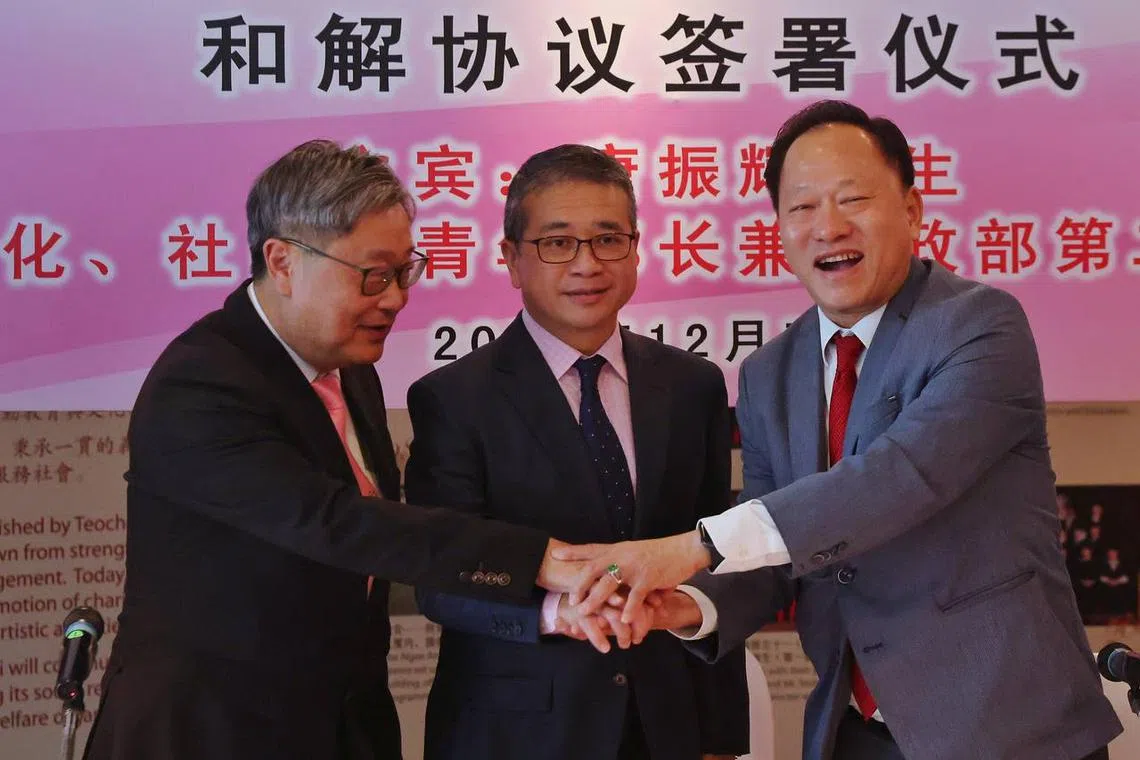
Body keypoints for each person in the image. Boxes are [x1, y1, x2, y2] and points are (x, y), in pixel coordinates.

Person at [556, 101, 1123, 759]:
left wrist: (689, 546)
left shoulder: (981, 326)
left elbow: (898, 478)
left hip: (1007, 730)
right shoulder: (770, 372)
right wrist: (682, 603)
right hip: (851, 731)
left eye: (852, 199)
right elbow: (773, 551)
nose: (827, 226)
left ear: (911, 209)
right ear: (779, 229)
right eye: (801, 209)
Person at [82, 140, 584, 760]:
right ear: (284, 261)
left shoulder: (351, 370)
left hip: (343, 724)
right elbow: (335, 523)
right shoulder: (201, 383)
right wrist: (538, 558)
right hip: (215, 729)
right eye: (374, 276)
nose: (396, 298)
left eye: (405, 271)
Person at [404, 144, 749, 760]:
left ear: (637, 249)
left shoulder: (693, 386)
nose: (587, 264)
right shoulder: (452, 400)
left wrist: (721, 737)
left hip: (667, 726)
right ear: (510, 258)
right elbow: (440, 581)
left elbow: (712, 556)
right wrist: (554, 610)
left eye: (609, 239)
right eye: (557, 243)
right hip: (517, 733)